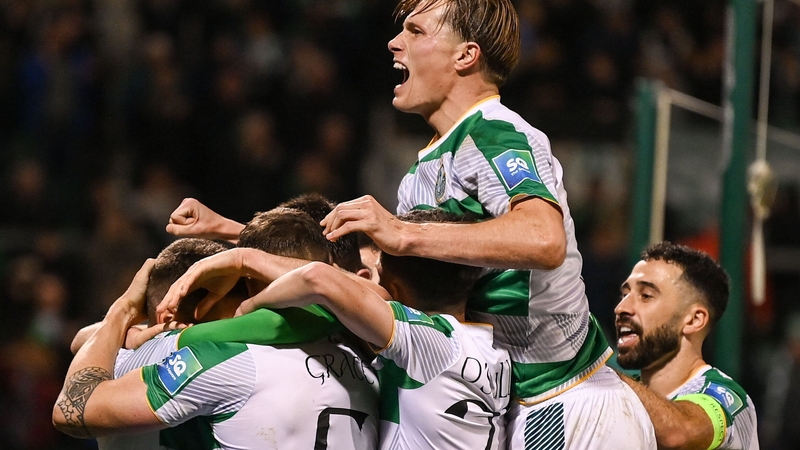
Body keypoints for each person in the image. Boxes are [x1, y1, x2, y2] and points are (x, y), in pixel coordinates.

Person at [314, 0, 655, 448]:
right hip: (507, 404)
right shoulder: (419, 175)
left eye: (416, 31)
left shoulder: (494, 131)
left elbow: (543, 238)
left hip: (569, 400)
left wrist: (405, 233)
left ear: (465, 55)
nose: (395, 43)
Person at [166, 208, 511, 449]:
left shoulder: (424, 343)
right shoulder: (492, 348)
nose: (366, 283)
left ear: (395, 292)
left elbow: (319, 278)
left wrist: (247, 280)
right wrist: (229, 229)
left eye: (377, 279)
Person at [54, 212, 380, 449]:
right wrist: (242, 254)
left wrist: (122, 313)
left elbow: (77, 387)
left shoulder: (196, 353)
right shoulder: (361, 343)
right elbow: (352, 295)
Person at [615, 241, 759, 450]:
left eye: (646, 296)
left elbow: (679, 434)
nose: (621, 308)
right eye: (625, 295)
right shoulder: (619, 394)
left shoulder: (727, 397)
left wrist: (604, 373)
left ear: (694, 320)